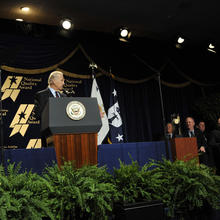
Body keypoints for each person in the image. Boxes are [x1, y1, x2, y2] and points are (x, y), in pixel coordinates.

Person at [34, 70, 66, 147]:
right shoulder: (41, 95)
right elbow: (38, 115)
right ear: (53, 81)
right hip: (49, 135)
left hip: (64, 133)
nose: (63, 83)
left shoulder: (64, 96)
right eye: (62, 80)